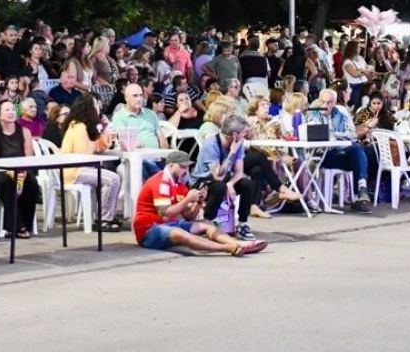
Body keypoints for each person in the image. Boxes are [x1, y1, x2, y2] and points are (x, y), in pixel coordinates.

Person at [133, 150, 266, 256]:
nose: (185, 170)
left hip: (167, 224)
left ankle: (238, 244)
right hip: (148, 229)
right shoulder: (160, 182)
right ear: (170, 165)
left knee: (206, 225)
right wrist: (188, 200)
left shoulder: (180, 184)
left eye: (187, 167)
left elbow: (188, 216)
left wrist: (198, 202)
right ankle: (227, 248)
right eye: (182, 167)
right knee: (180, 233)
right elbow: (165, 213)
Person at [59, 96, 123, 231]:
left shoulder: (86, 126)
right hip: (74, 170)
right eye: (96, 105)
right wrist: (98, 131)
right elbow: (84, 154)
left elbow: (98, 148)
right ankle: (104, 219)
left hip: (83, 168)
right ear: (89, 109)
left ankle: (107, 214)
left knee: (114, 177)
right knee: (112, 179)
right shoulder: (78, 126)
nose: (99, 108)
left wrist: (104, 130)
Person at [189, 114, 258, 240]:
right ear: (234, 135)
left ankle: (242, 224)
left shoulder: (239, 143)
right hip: (202, 181)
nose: (245, 136)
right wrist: (231, 153)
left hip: (223, 180)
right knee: (219, 187)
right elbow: (217, 175)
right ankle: (208, 223)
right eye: (243, 133)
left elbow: (239, 172)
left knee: (246, 184)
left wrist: (230, 184)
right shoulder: (212, 144)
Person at [0, 100, 39, 239]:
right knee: (8, 183)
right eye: (7, 110)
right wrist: (8, 171)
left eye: (13, 109)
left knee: (31, 183)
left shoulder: (24, 131)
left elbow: (28, 156)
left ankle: (24, 224)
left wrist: (23, 170)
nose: (11, 112)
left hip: (20, 169)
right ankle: (17, 226)